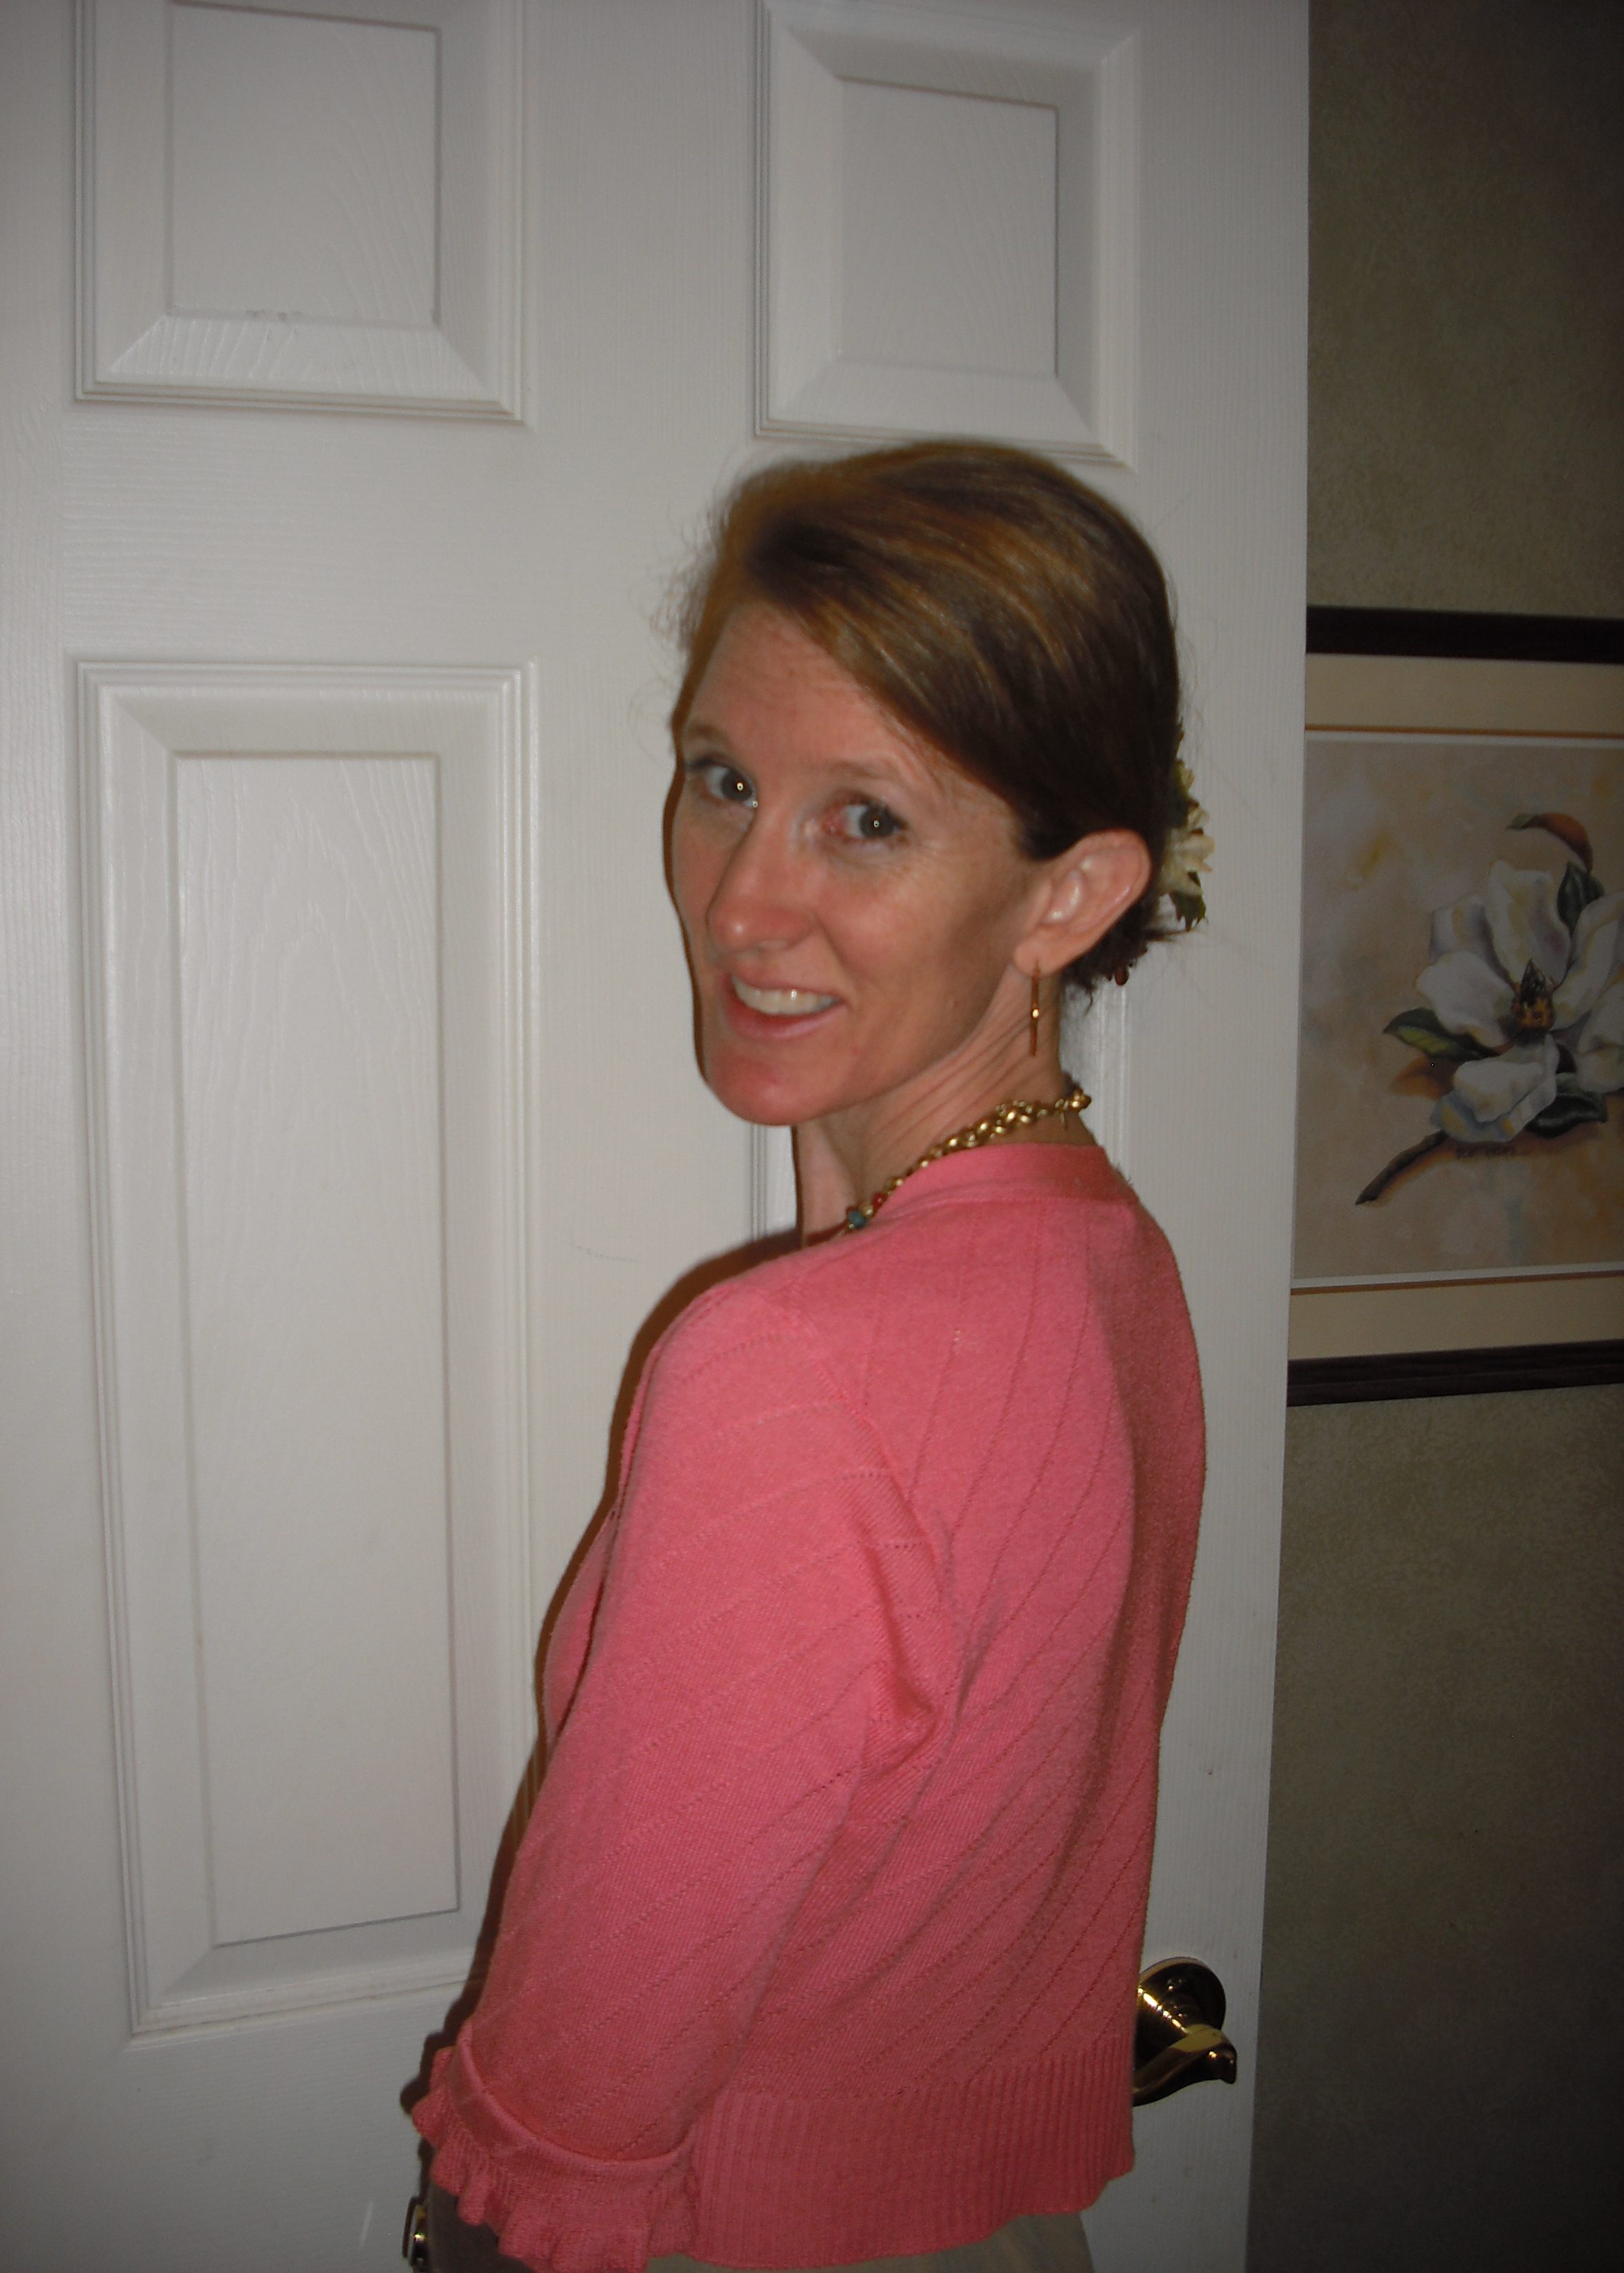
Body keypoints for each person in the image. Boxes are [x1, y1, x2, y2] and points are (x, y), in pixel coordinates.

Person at [410, 442, 1208, 2273]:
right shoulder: (1112, 1263)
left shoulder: (787, 1369)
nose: (740, 901)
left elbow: (578, 2109)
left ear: (1069, 895)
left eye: (866, 821)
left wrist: (472, 2229)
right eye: (723, 781)